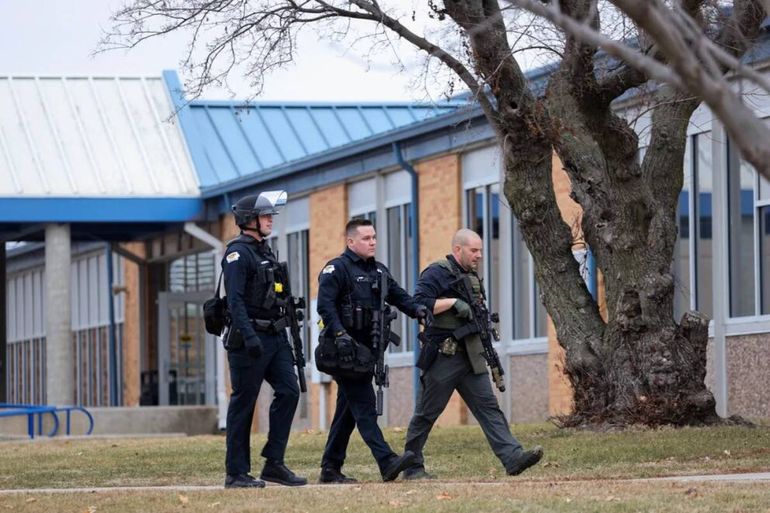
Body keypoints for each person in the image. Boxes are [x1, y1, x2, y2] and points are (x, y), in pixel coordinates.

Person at [402, 228, 543, 480]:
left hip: (471, 354)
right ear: (458, 249)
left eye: (480, 250)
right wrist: (453, 303)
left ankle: (512, 457)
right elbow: (418, 303)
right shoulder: (436, 272)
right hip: (443, 356)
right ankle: (412, 466)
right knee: (426, 413)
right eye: (474, 250)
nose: (479, 255)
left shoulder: (471, 275)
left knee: (489, 407)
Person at [316, 218, 431, 484]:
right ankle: (387, 461)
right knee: (365, 406)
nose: (373, 242)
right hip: (344, 351)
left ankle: (330, 468)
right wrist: (340, 334)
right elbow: (325, 306)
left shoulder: (378, 271)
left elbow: (398, 296)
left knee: (346, 412)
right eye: (366, 238)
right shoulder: (337, 269)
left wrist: (418, 310)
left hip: (367, 352)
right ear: (351, 241)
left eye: (374, 237)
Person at [221, 191, 307, 489]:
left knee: (290, 391)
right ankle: (236, 473)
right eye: (265, 216)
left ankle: (273, 463)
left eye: (270, 215)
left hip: (275, 335)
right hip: (248, 340)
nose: (270, 220)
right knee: (244, 404)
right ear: (249, 220)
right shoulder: (237, 254)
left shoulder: (264, 251)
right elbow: (235, 301)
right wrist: (249, 336)